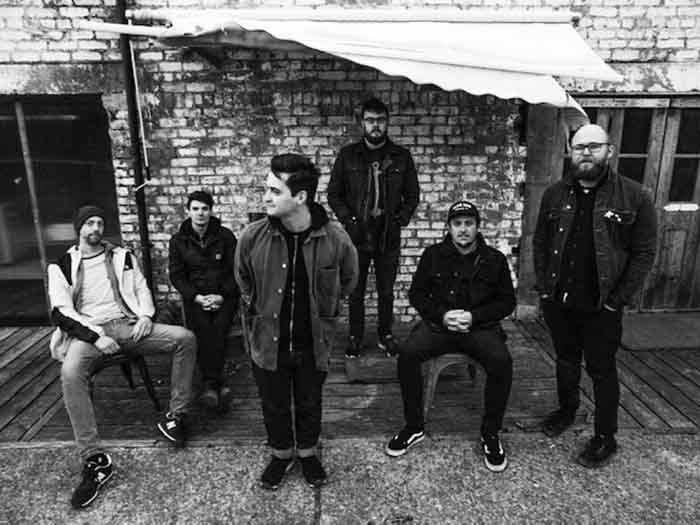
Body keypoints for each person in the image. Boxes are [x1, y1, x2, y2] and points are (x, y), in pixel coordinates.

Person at [47, 205, 197, 509]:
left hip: (127, 325)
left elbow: (141, 288)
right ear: (79, 228)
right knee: (71, 373)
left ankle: (175, 417)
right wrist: (96, 337)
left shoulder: (122, 255)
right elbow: (60, 312)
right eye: (89, 223)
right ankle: (94, 459)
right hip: (90, 333)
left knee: (184, 339)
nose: (96, 228)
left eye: (100, 223)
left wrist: (145, 316)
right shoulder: (61, 265)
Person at [533, 123, 657, 468]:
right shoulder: (554, 194)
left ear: (609, 151)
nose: (586, 153)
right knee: (566, 360)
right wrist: (545, 289)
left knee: (602, 370)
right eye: (579, 147)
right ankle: (567, 411)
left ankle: (605, 436)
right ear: (570, 152)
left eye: (594, 146)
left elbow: (644, 253)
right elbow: (540, 242)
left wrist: (617, 301)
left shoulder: (634, 196)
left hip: (603, 305)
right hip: (560, 301)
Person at [234, 154, 358, 490]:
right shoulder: (252, 237)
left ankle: (307, 453)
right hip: (267, 340)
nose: (266, 197)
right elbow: (243, 279)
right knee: (273, 404)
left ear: (300, 196)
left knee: (309, 402)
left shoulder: (335, 239)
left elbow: (349, 280)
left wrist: (326, 312)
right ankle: (280, 455)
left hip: (313, 342)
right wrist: (259, 313)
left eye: (275, 191)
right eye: (267, 189)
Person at [385, 201, 515, 472]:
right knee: (407, 356)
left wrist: (473, 317)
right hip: (439, 327)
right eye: (457, 224)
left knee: (502, 362)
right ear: (449, 227)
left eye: (469, 223)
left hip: (479, 329)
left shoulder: (494, 259)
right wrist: (443, 316)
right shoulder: (433, 255)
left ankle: (490, 433)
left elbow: (507, 302)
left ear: (478, 227)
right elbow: (417, 295)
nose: (463, 229)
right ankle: (414, 426)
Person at [327, 97, 419, 358]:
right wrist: (350, 222)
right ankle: (355, 337)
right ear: (362, 123)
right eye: (370, 120)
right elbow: (334, 194)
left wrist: (399, 219)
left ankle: (385, 335)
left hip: (388, 234)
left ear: (387, 122)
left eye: (380, 120)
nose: (375, 125)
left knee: (386, 291)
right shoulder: (348, 156)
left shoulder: (401, 157)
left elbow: (412, 195)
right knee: (356, 291)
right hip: (358, 235)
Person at [169, 190, 239, 410]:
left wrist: (221, 295)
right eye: (196, 209)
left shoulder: (225, 237)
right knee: (202, 330)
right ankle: (217, 383)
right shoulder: (178, 241)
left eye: (205, 209)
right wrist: (197, 298)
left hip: (224, 296)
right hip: (196, 298)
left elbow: (237, 270)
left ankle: (211, 384)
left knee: (218, 328)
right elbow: (177, 275)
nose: (200, 213)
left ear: (211, 211)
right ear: (188, 211)